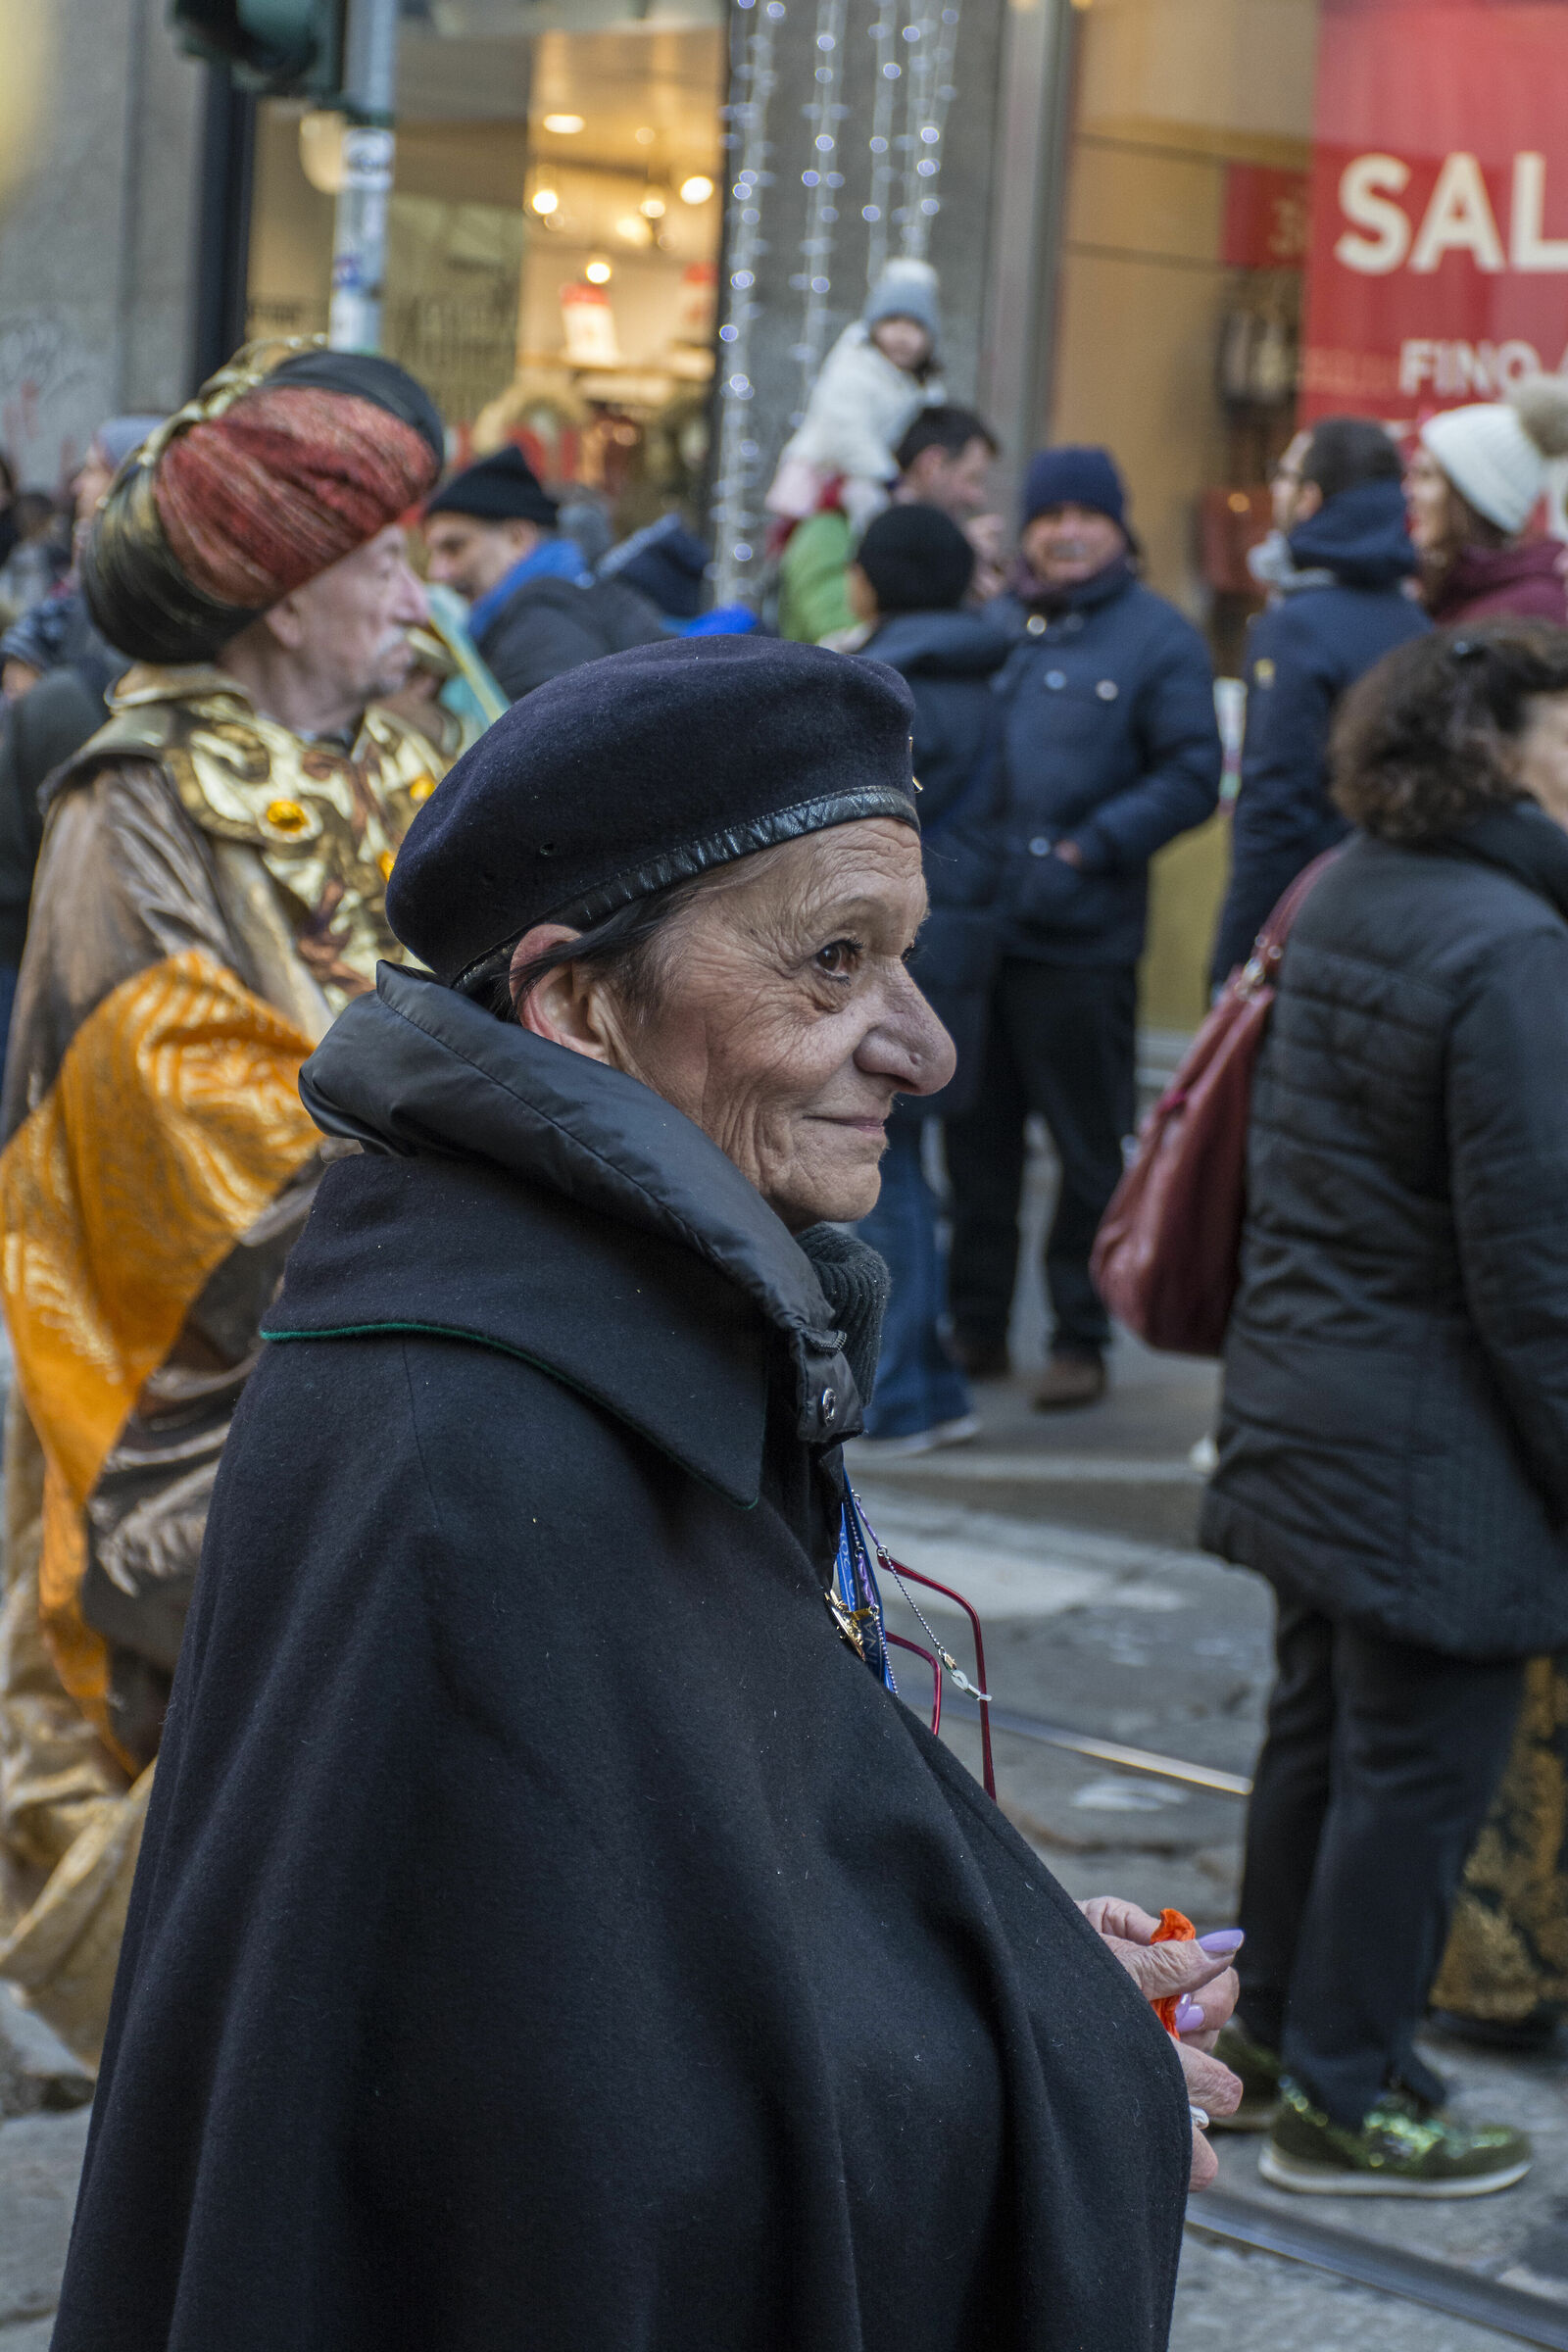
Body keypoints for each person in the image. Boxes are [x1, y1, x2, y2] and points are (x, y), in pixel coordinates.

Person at [48, 633, 1241, 2350]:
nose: (921, 1048)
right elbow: (589, 2180)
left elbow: (706, 1920)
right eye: (833, 964)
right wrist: (1072, 2062)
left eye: (907, 961)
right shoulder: (484, 1444)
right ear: (575, 1004)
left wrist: (1012, 1951)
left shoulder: (585, 1330)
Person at [0, 340, 451, 2066]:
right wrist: (484, 1154)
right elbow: (179, 1128)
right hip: (232, 1389)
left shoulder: (402, 757)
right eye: (384, 559)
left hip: (413, 1339)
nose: (415, 590)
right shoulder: (126, 811)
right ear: (280, 600)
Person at [1200, 624, 1568, 2193]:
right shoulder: (1510, 945)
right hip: (1441, 1438)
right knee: (1415, 1780)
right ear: (1496, 755)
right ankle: (1355, 2099)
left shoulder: (1348, 883)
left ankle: (1276, 2039)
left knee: (1319, 1739)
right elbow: (1538, 1266)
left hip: (1311, 1388)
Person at [947, 446, 1222, 1406]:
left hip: (1081, 939)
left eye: (1086, 516)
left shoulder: (1159, 638)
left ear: (1118, 528)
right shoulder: (994, 627)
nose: (1065, 531)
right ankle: (974, 1328)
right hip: (985, 937)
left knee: (1084, 1152)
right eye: (1048, 515)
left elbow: (1192, 774)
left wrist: (1086, 852)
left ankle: (1080, 1336)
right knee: (976, 1149)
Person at [846, 505, 1006, 1454]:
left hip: (903, 947)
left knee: (886, 1166)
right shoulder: (988, 673)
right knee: (910, 1166)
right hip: (966, 940)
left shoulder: (887, 685)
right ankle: (933, 1385)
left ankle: (898, 1391)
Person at [1208, 416, 1429, 988]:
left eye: (1284, 476)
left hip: (1306, 933)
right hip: (1400, 926)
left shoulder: (1298, 628)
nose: (1275, 490)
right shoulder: (1418, 623)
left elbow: (1276, 807)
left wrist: (1237, 957)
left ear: (1310, 499)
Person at [421, 444, 662, 702]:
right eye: (433, 553)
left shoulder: (543, 621)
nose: (437, 572)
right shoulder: (565, 603)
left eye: (454, 547)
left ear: (518, 538)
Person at [778, 403, 1000, 647]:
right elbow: (839, 639)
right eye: (972, 478)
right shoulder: (831, 528)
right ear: (932, 464)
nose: (977, 497)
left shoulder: (949, 547)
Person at [765, 258, 945, 541]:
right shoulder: (854, 368)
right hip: (826, 482)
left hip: (874, 484)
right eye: (893, 321)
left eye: (915, 325)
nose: (902, 335)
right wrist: (889, 477)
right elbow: (846, 432)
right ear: (874, 326)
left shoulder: (919, 384)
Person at [1406, 379, 1568, 625]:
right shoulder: (1456, 591)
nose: (1408, 490)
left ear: (1471, 498)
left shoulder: (1526, 614)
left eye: (1426, 476)